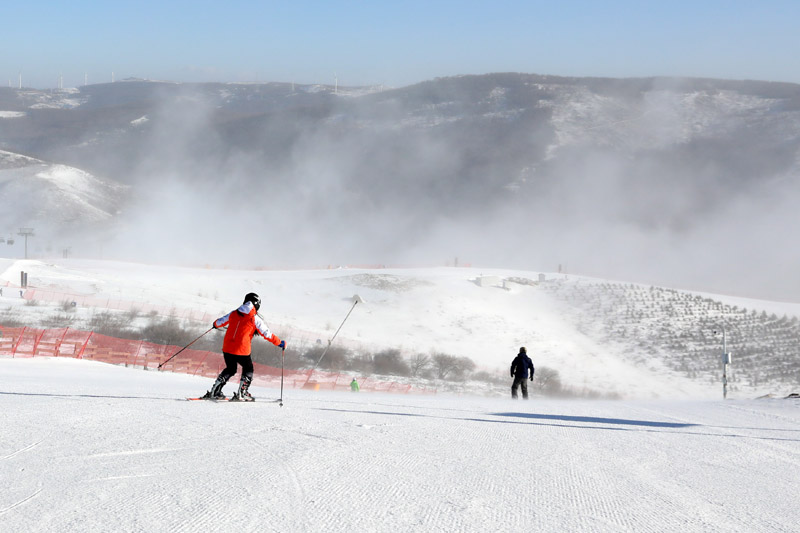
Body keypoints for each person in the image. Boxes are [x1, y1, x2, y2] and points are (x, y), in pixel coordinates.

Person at [202, 292, 285, 401]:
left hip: (227, 348)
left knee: (230, 369)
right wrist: (280, 343)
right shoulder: (255, 319)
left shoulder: (234, 313)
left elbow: (219, 322)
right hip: (242, 349)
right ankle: (242, 392)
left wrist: (215, 325)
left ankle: (215, 391)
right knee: (248, 368)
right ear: (257, 304)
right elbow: (267, 334)